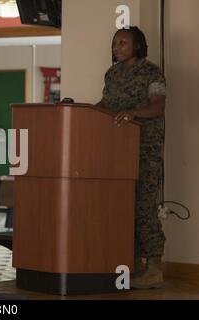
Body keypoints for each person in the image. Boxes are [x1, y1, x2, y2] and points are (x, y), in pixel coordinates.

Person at [96, 26, 166, 289]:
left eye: (123, 43)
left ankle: (154, 268)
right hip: (116, 150)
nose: (117, 47)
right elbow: (106, 105)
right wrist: (84, 112)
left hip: (144, 149)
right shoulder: (112, 74)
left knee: (143, 206)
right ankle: (132, 263)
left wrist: (133, 113)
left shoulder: (152, 72)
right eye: (115, 43)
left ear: (137, 46)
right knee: (121, 207)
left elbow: (158, 106)